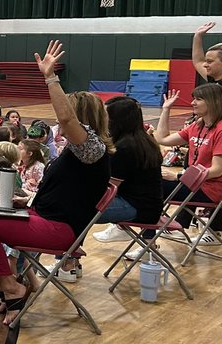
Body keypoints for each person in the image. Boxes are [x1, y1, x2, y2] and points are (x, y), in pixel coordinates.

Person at [0, 41, 112, 324]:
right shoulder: (78, 149)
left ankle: (10, 287)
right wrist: (30, 200)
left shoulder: (92, 148)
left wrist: (50, 77)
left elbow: (66, 118)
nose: (61, 115)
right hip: (46, 216)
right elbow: (69, 193)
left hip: (60, 230)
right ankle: (16, 282)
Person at [92, 96, 164, 246]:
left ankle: (68, 263)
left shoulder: (125, 147)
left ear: (117, 120)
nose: (103, 120)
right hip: (147, 205)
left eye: (106, 116)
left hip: (138, 208)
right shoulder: (144, 140)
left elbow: (109, 188)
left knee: (76, 209)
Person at [153, 84, 222, 237]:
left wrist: (180, 176)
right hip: (193, 184)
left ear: (214, 101)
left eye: (198, 99)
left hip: (210, 190)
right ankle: (155, 232)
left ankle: (146, 235)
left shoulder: (220, 130)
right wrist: (166, 109)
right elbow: (162, 139)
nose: (192, 103)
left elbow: (217, 170)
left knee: (151, 187)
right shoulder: (197, 125)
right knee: (150, 182)